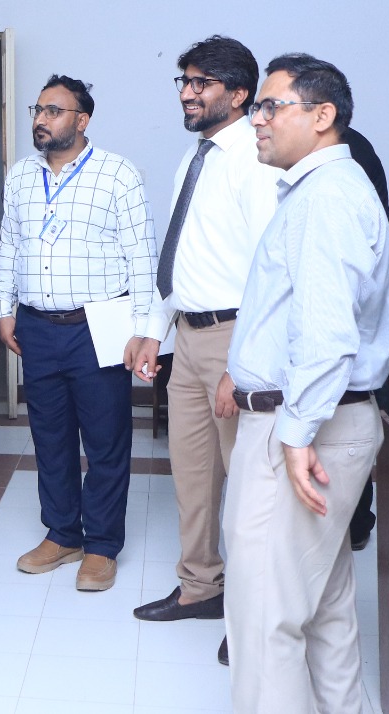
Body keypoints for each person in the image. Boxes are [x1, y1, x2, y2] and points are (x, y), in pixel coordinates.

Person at [221, 53, 389, 714]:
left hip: (302, 428)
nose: (256, 120)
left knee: (266, 620)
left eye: (271, 106)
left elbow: (325, 334)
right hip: (322, 419)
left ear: (322, 116)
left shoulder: (325, 199)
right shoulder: (323, 190)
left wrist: (294, 438)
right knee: (323, 609)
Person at [131, 37, 279, 659]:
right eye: (184, 82)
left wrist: (242, 364)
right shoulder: (194, 159)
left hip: (233, 337)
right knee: (191, 476)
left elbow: (270, 269)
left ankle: (250, 614)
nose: (188, 93)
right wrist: (154, 330)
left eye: (201, 83)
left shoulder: (256, 158)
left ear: (238, 94)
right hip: (188, 337)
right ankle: (200, 587)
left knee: (248, 490)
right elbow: (182, 255)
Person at [0, 74, 157, 592]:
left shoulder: (117, 173)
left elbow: (142, 255)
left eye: (54, 111)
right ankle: (63, 533)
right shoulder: (21, 175)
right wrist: (3, 309)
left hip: (99, 326)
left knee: (105, 440)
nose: (41, 119)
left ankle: (101, 545)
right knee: (50, 436)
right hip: (36, 326)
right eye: (37, 110)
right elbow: (10, 245)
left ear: (82, 120)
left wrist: (143, 329)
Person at [342, 125, 389, 553]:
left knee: (341, 428)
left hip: (346, 320)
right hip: (349, 318)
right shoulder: (356, 148)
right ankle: (355, 526)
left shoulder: (348, 156)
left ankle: (355, 524)